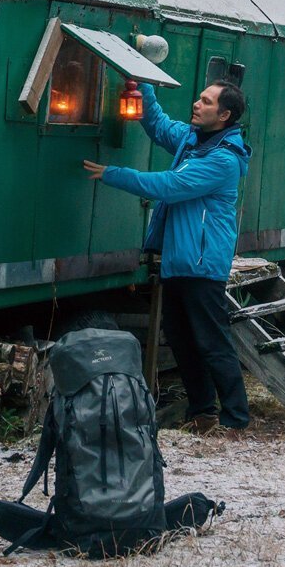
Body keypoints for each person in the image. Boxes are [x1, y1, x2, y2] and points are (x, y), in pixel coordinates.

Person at [82, 81, 253, 433]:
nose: (196, 103)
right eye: (199, 96)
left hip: (203, 264)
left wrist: (113, 174)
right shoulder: (193, 140)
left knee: (212, 342)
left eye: (205, 101)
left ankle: (236, 419)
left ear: (224, 115)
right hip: (178, 260)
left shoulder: (223, 159)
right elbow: (158, 125)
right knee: (182, 341)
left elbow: (168, 186)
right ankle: (203, 413)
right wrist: (141, 84)